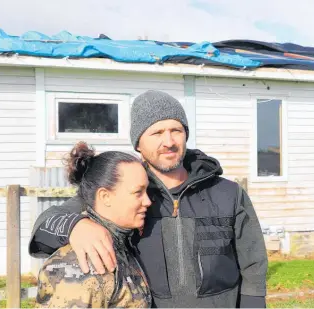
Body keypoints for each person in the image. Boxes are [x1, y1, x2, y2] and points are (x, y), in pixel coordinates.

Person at [30, 90, 268, 308]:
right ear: (138, 144)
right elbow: (45, 224)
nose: (169, 142)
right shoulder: (127, 194)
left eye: (176, 130)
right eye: (156, 132)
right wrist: (76, 225)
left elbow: (254, 266)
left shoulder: (227, 193)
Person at [35, 142, 152, 308]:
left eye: (147, 191)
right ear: (105, 196)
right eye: (138, 193)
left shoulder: (120, 243)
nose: (148, 201)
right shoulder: (84, 264)